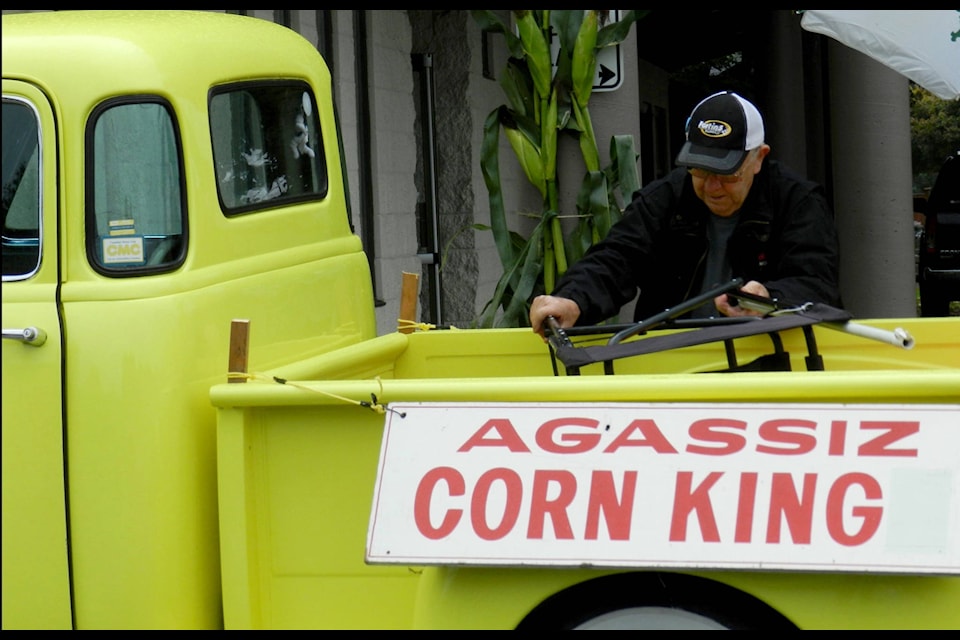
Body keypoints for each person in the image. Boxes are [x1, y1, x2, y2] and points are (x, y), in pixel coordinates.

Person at [529, 90, 843, 338]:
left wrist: (769, 297)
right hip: (674, 358)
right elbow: (617, 258)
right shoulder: (664, 197)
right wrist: (572, 299)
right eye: (700, 170)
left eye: (728, 174)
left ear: (758, 159)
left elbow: (816, 283)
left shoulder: (798, 202)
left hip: (768, 358)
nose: (713, 187)